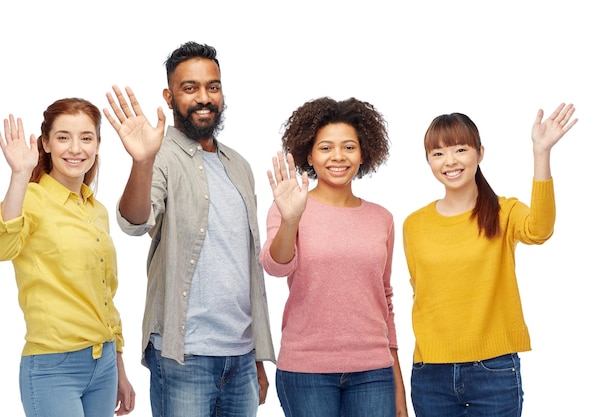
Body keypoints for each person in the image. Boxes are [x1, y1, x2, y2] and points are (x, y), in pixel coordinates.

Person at [102, 41, 276, 417]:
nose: (204, 97)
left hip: (241, 357)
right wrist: (142, 162)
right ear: (169, 96)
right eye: (190, 87)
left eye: (212, 87)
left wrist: (257, 356)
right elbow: (134, 222)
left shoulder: (240, 166)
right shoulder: (160, 157)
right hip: (184, 355)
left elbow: (245, 266)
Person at [402, 103, 578, 417]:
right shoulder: (414, 224)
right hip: (431, 373)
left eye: (460, 149)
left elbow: (540, 229)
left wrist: (541, 153)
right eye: (438, 153)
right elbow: (422, 294)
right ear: (428, 160)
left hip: (494, 369)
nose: (450, 161)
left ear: (480, 153)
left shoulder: (502, 211)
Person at [260, 97, 408, 417]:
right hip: (306, 370)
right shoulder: (290, 207)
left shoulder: (381, 218)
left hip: (373, 371)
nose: (338, 156)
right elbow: (275, 266)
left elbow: (385, 298)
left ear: (363, 153)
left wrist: (398, 384)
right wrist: (290, 219)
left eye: (348, 147)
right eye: (325, 147)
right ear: (309, 156)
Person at [0, 98, 135, 417]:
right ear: (46, 143)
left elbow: (106, 296)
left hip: (104, 363)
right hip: (53, 367)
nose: (75, 148)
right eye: (63, 137)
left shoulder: (96, 210)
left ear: (97, 144)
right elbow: (1, 247)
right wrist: (19, 176)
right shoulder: (32, 198)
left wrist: (119, 367)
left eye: (86, 137)